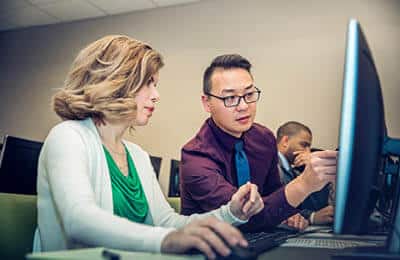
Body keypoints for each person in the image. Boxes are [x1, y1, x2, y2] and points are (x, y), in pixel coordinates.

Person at [33, 36, 265, 260]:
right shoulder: (68, 136)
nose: (156, 95)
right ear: (115, 82)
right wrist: (166, 241)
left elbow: (167, 223)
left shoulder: (137, 155)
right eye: (148, 84)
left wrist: (231, 213)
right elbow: (79, 220)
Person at [180, 54, 337, 232]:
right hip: (209, 247)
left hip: (259, 239)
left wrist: (287, 214)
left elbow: (274, 193)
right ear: (207, 103)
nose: (244, 106)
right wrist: (303, 184)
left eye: (249, 94)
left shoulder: (264, 138)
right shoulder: (195, 157)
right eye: (230, 98)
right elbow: (245, 215)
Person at [276, 121, 334, 225]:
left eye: (309, 147)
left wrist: (308, 169)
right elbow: (277, 205)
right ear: (285, 141)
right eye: (304, 145)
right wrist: (312, 217)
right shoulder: (274, 166)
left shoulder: (293, 170)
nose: (307, 151)